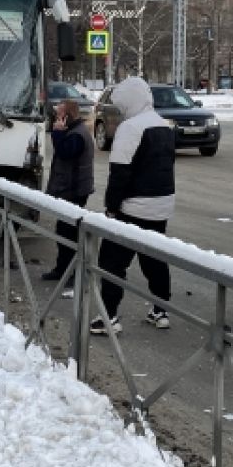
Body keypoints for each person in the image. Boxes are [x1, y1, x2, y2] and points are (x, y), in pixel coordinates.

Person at [93, 77, 176, 335]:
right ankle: (160, 311)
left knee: (112, 261)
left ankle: (109, 316)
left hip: (133, 207)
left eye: (121, 105)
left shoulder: (130, 129)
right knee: (154, 259)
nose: (120, 111)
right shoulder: (164, 125)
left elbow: (120, 173)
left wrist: (111, 207)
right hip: (162, 204)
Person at [41, 98, 94, 284]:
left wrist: (57, 133)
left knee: (68, 233)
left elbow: (65, 153)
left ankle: (71, 272)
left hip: (73, 190)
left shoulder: (76, 135)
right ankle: (64, 269)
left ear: (68, 116)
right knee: (65, 232)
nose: (56, 118)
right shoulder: (74, 131)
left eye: (59, 114)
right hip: (72, 188)